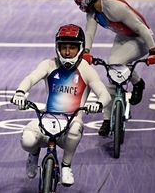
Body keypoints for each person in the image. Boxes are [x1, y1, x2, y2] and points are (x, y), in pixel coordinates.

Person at [11, 24, 111, 186]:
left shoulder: (86, 69)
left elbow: (104, 94)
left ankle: (66, 166)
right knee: (27, 139)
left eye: (72, 48)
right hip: (46, 118)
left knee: (75, 130)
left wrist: (98, 104)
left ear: (80, 48)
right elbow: (31, 78)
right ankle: (34, 154)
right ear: (57, 47)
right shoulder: (49, 64)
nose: (67, 52)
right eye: (63, 47)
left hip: (71, 122)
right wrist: (20, 92)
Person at [61, 0, 155, 137]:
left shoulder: (115, 7)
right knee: (112, 77)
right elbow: (89, 33)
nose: (77, 2)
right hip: (123, 38)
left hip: (141, 39)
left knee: (113, 62)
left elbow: (142, 28)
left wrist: (153, 50)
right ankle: (107, 119)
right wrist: (86, 53)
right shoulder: (92, 13)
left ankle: (138, 82)